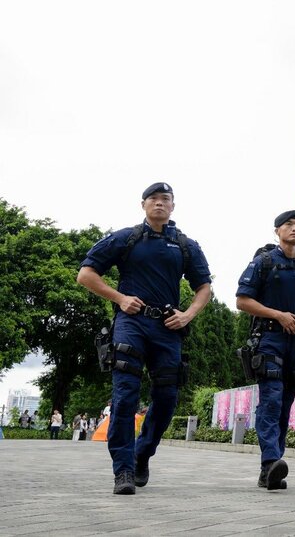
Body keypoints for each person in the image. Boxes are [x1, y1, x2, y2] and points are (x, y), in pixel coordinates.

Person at [77, 182, 212, 495]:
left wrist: (188, 314)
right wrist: (120, 297)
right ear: (143, 205)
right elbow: (86, 274)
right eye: (154, 199)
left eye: (166, 199)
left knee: (167, 399)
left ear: (173, 206)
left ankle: (142, 454)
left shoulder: (185, 245)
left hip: (168, 329)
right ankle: (122, 470)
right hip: (131, 324)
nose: (160, 204)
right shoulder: (126, 238)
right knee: (125, 396)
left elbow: (204, 287)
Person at [236, 210, 295, 491]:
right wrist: (279, 315)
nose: (294, 229)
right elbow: (242, 301)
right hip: (269, 339)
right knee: (272, 400)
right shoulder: (263, 263)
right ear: (277, 231)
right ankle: (271, 460)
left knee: (286, 405)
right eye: (288, 225)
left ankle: (270, 470)